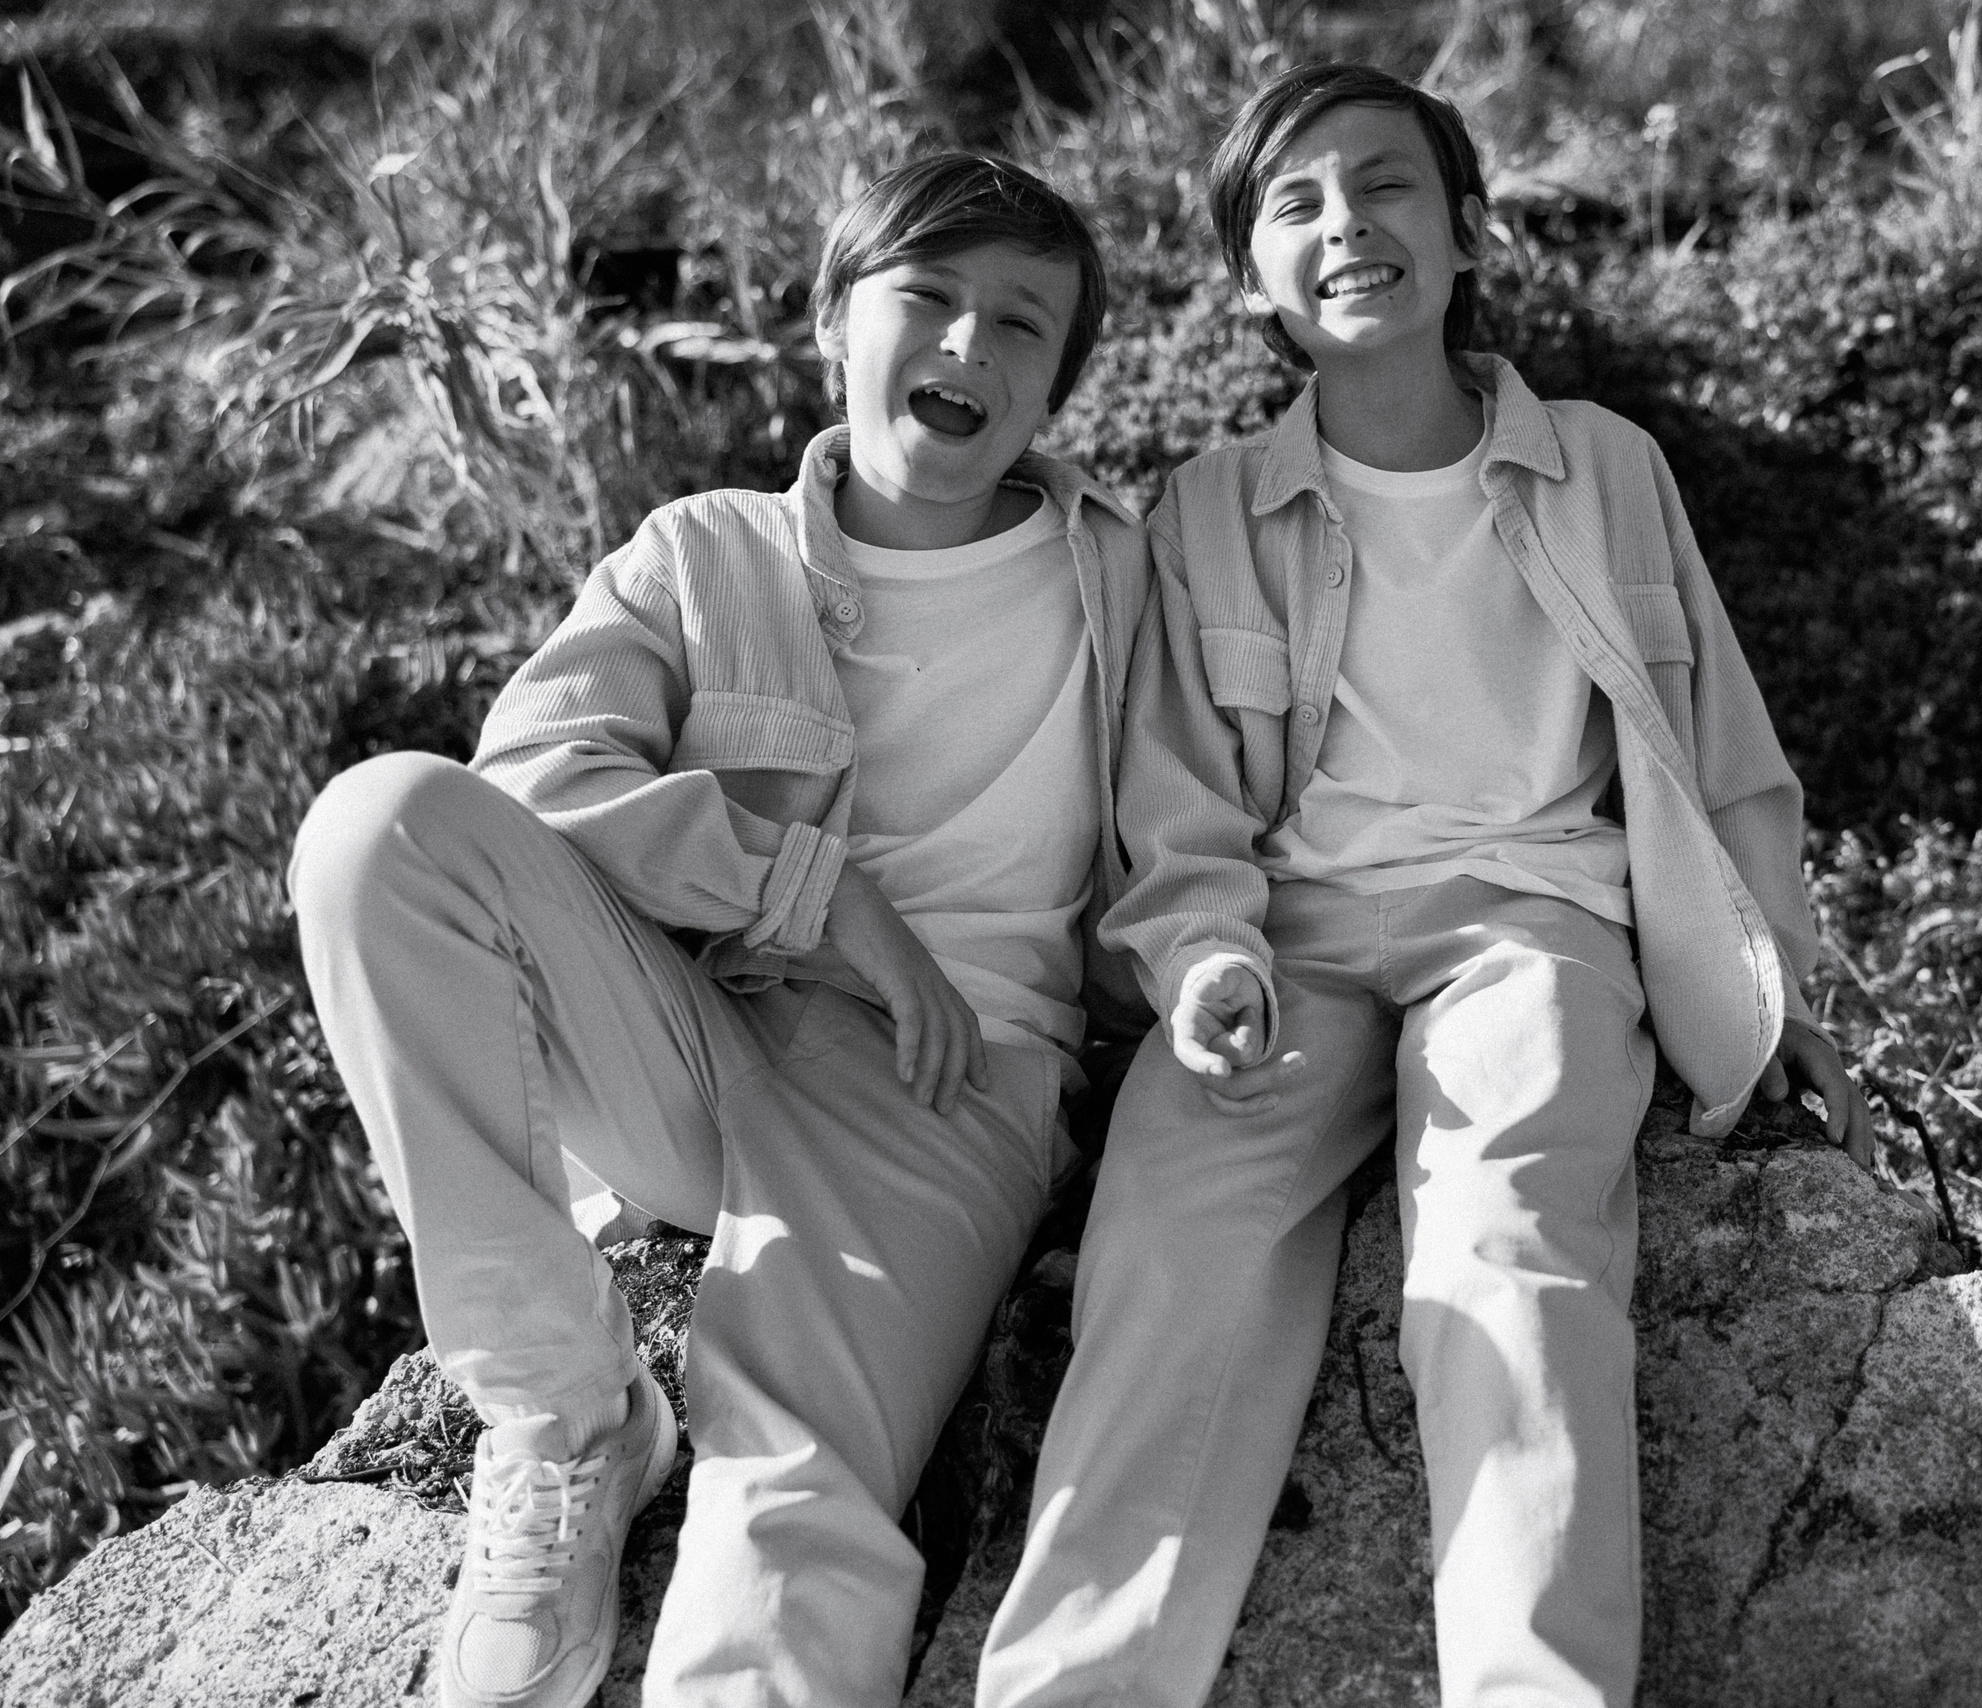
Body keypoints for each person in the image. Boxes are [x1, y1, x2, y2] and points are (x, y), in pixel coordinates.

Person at [975, 63, 1876, 1708]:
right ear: (1255, 277)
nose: (1347, 228)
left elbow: (1727, 755)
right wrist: (1200, 966)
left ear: (1467, 233)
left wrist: (1777, 993)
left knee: (1505, 1247)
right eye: (1294, 206)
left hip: (1533, 930)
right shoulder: (1209, 508)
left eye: (1383, 187)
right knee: (1166, 1270)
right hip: (1284, 945)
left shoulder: (1606, 465)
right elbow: (1175, 803)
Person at [289, 152, 1150, 1708]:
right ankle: (570, 1419)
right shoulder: (706, 552)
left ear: (1057, 390)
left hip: (946, 1081)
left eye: (1022, 326)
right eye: (930, 299)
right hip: (695, 1039)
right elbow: (538, 775)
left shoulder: (1125, 579)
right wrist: (822, 899)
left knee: (793, 1480)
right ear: (834, 318)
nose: (969, 347)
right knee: (380, 828)